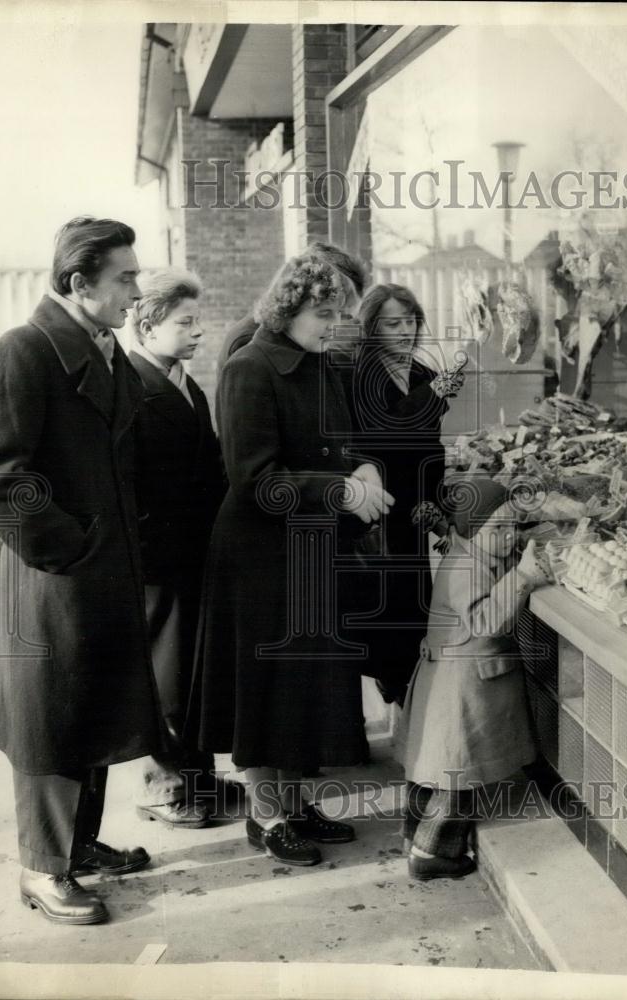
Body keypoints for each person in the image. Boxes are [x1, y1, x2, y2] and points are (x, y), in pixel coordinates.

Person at [0, 217, 168, 926]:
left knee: (94, 712)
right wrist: (69, 545)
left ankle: (76, 846)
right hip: (52, 581)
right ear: (80, 283)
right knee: (50, 724)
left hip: (102, 572)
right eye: (126, 277)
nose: (136, 289)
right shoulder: (25, 351)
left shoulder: (103, 352)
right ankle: (41, 870)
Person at [188, 252, 394, 867]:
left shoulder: (321, 364)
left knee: (302, 686)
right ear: (289, 307)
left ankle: (296, 803)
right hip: (260, 555)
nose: (335, 323)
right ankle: (267, 815)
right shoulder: (250, 367)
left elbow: (343, 440)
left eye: (342, 313)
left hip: (309, 548)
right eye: (323, 312)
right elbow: (254, 478)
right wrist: (342, 491)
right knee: (265, 688)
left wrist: (359, 466)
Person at [398, 477, 550, 880]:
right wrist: (524, 578)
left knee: (434, 767)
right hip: (462, 686)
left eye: (513, 526)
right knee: (458, 774)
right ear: (470, 530)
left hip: (452, 678)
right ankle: (431, 855)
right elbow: (486, 621)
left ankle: (413, 834)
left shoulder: (469, 551)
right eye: (497, 529)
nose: (508, 537)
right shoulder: (466, 567)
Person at [127, 269, 226, 829]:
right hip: (157, 561)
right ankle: (164, 786)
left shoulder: (187, 386)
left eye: (197, 321)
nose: (198, 332)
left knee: (191, 669)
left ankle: (198, 778)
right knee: (164, 675)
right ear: (148, 324)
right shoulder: (133, 386)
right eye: (185, 322)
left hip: (195, 555)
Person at [343, 283, 465, 705]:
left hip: (416, 505)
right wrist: (430, 396)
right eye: (393, 322)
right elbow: (386, 433)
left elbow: (430, 443)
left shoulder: (422, 373)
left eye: (411, 321)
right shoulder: (359, 374)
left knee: (415, 610)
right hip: (381, 508)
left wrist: (438, 503)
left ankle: (405, 702)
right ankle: (394, 692)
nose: (404, 331)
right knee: (388, 614)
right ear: (371, 326)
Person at [214, 241, 367, 382]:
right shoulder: (249, 342)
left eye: (342, 313)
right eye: (326, 313)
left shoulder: (297, 338)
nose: (338, 325)